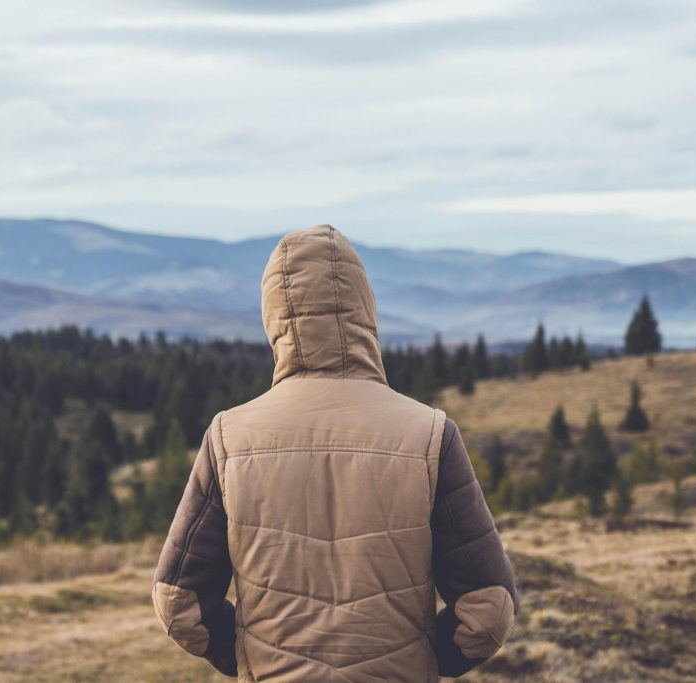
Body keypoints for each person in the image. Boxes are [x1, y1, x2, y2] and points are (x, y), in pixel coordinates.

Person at [152, 225, 518, 681]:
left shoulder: (229, 437)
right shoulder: (428, 433)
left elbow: (179, 603)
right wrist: (422, 658)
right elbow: (489, 611)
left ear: (274, 317)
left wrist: (250, 655)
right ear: (365, 311)